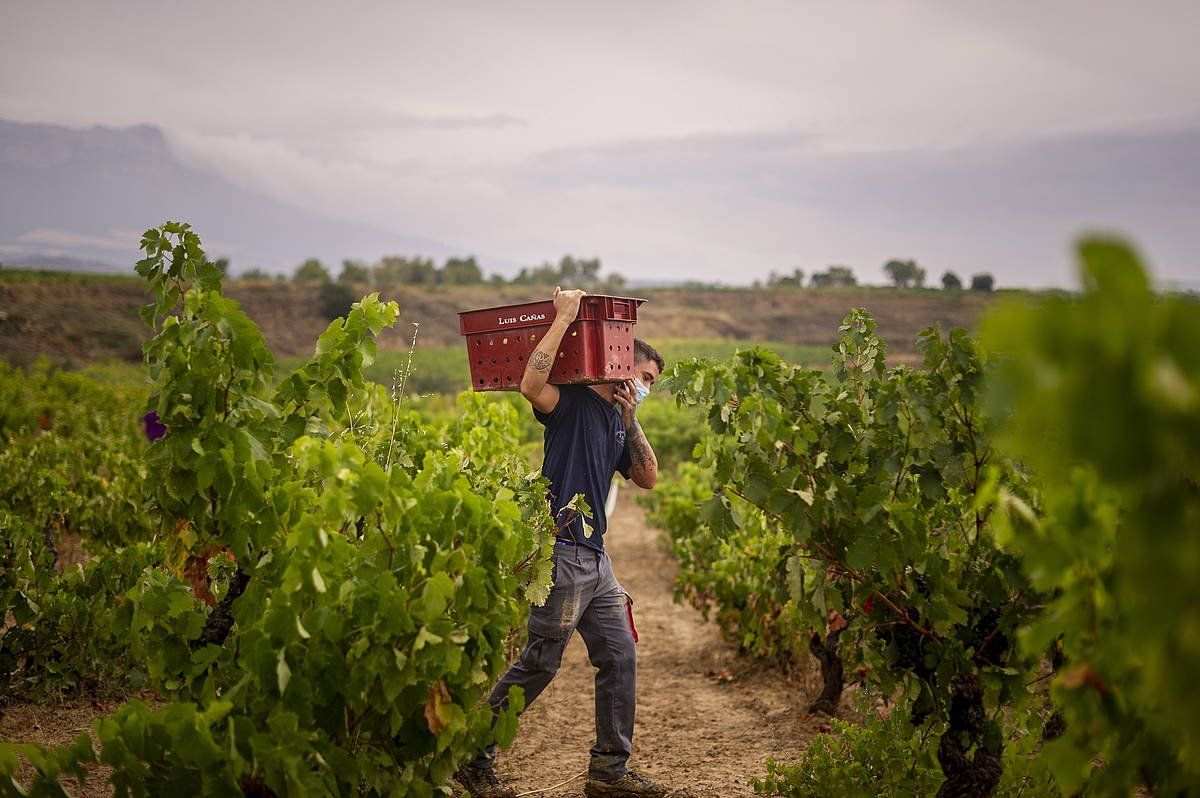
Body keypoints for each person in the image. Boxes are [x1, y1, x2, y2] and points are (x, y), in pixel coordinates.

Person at [455, 288, 669, 798]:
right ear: (618, 361)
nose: (645, 386)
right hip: (564, 550)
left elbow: (649, 478)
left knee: (620, 656)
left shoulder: (618, 422)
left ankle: (608, 775)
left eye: (652, 384)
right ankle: (473, 755)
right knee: (541, 661)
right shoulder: (569, 404)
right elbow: (530, 383)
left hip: (597, 561)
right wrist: (565, 317)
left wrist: (632, 417)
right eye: (644, 376)